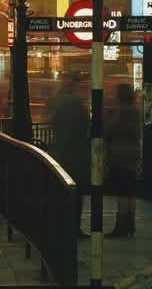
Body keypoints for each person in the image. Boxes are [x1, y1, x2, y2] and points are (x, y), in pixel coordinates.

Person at [51, 72, 90, 238]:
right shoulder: (75, 104)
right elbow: (81, 130)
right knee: (76, 194)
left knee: (64, 193)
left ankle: (63, 226)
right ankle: (73, 228)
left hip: (61, 153)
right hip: (75, 155)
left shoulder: (58, 101)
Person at [105, 83, 141, 238]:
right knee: (130, 192)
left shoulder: (123, 112)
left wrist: (107, 116)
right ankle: (130, 224)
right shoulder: (136, 112)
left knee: (123, 193)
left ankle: (121, 226)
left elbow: (109, 130)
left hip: (121, 157)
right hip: (132, 155)